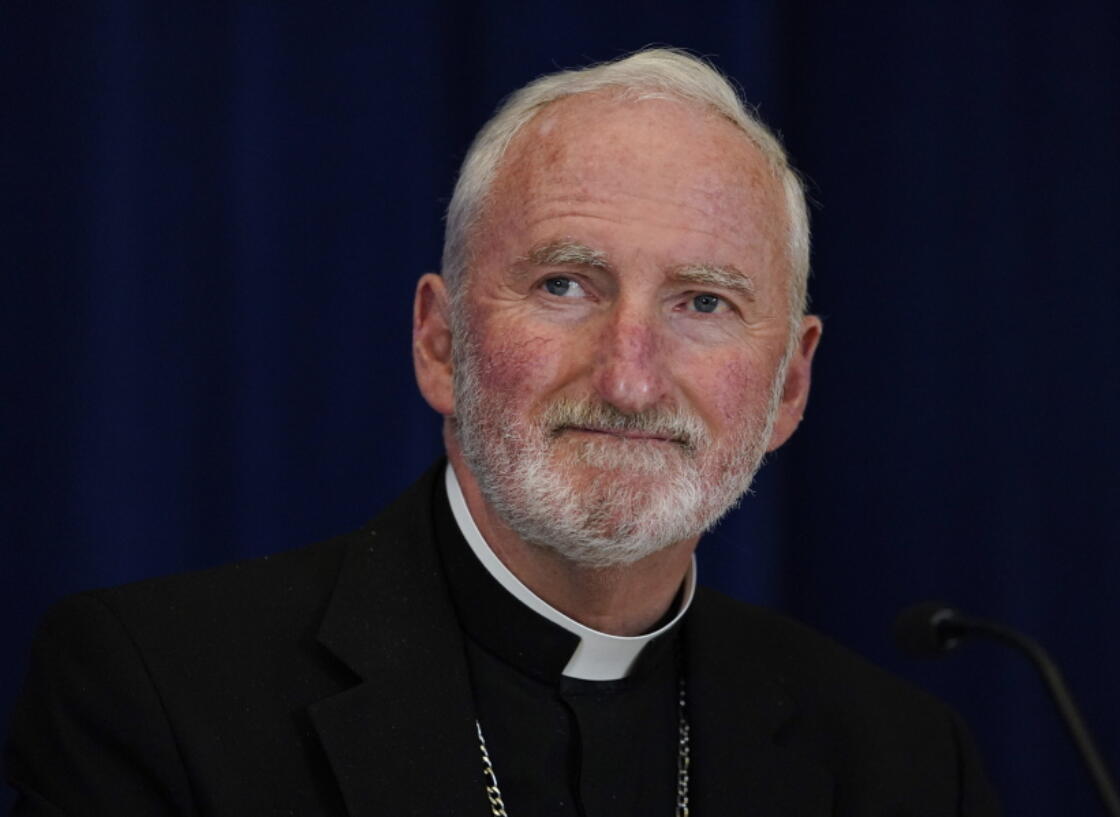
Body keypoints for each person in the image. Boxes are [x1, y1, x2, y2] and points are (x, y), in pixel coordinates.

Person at [5, 48, 999, 816]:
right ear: (440, 342)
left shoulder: (901, 765)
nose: (628, 376)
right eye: (564, 285)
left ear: (788, 386)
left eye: (701, 302)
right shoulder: (160, 694)